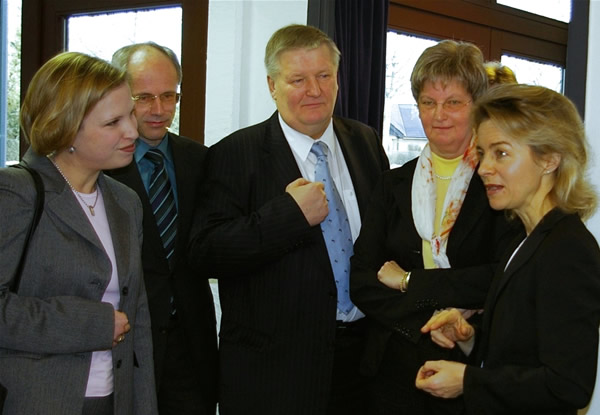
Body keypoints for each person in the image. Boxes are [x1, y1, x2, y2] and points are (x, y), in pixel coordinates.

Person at [188, 24, 389, 414]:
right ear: (272, 85)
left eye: (324, 76)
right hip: (275, 374)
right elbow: (205, 252)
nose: (314, 90)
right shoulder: (235, 153)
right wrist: (289, 216)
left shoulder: (365, 141)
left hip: (362, 365)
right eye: (298, 79)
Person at [350, 40, 522, 414]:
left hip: (470, 366)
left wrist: (408, 280)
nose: (439, 114)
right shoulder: (391, 184)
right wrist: (429, 320)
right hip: (393, 368)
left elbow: (501, 276)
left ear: (477, 105)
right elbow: (362, 279)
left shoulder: (499, 183)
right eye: (428, 102)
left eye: (453, 102)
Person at [416, 83, 600, 415]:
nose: (484, 167)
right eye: (483, 153)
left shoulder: (568, 250)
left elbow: (568, 385)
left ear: (549, 159)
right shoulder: (524, 239)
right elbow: (518, 355)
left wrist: (468, 380)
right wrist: (470, 338)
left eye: (500, 153)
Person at [0, 51, 157, 414]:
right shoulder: (15, 193)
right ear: (66, 127)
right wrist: (93, 324)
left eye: (130, 114)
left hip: (114, 400)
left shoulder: (126, 202)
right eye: (113, 122)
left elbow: (139, 318)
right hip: (35, 401)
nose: (132, 131)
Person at [108, 42, 218, 415]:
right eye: (144, 97)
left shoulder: (201, 160)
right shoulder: (101, 167)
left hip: (192, 349)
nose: (159, 110)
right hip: (124, 345)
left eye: (169, 96)